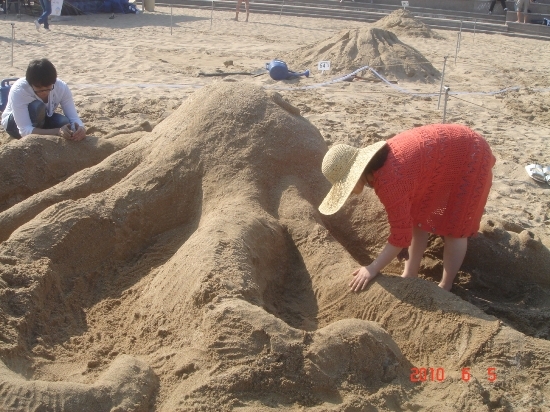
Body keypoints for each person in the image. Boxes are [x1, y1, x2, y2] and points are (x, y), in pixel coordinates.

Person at [318, 124, 495, 292]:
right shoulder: (380, 164)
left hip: (470, 153)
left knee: (455, 229)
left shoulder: (390, 182)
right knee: (419, 216)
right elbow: (409, 224)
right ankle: (410, 273)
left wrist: (372, 268)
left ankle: (445, 285)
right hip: (444, 156)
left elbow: (400, 237)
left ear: (355, 176)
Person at [1, 58, 86, 141]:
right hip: (14, 125)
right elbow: (24, 130)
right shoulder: (19, 90)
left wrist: (80, 128)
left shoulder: (61, 87)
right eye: (39, 89)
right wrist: (57, 131)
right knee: (37, 106)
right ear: (30, 84)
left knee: (64, 122)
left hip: (42, 119)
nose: (44, 92)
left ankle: (42, 132)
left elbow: (73, 117)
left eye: (48, 88)